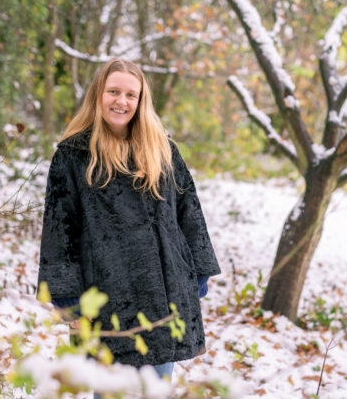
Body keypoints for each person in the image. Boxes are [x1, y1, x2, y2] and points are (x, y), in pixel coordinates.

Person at [37, 58, 221, 397]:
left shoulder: (162, 149)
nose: (122, 101)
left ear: (141, 101)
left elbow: (189, 213)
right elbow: (59, 232)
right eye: (114, 92)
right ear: (98, 95)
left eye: (131, 95)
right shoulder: (73, 154)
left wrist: (196, 276)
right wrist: (70, 303)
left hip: (164, 298)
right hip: (106, 302)